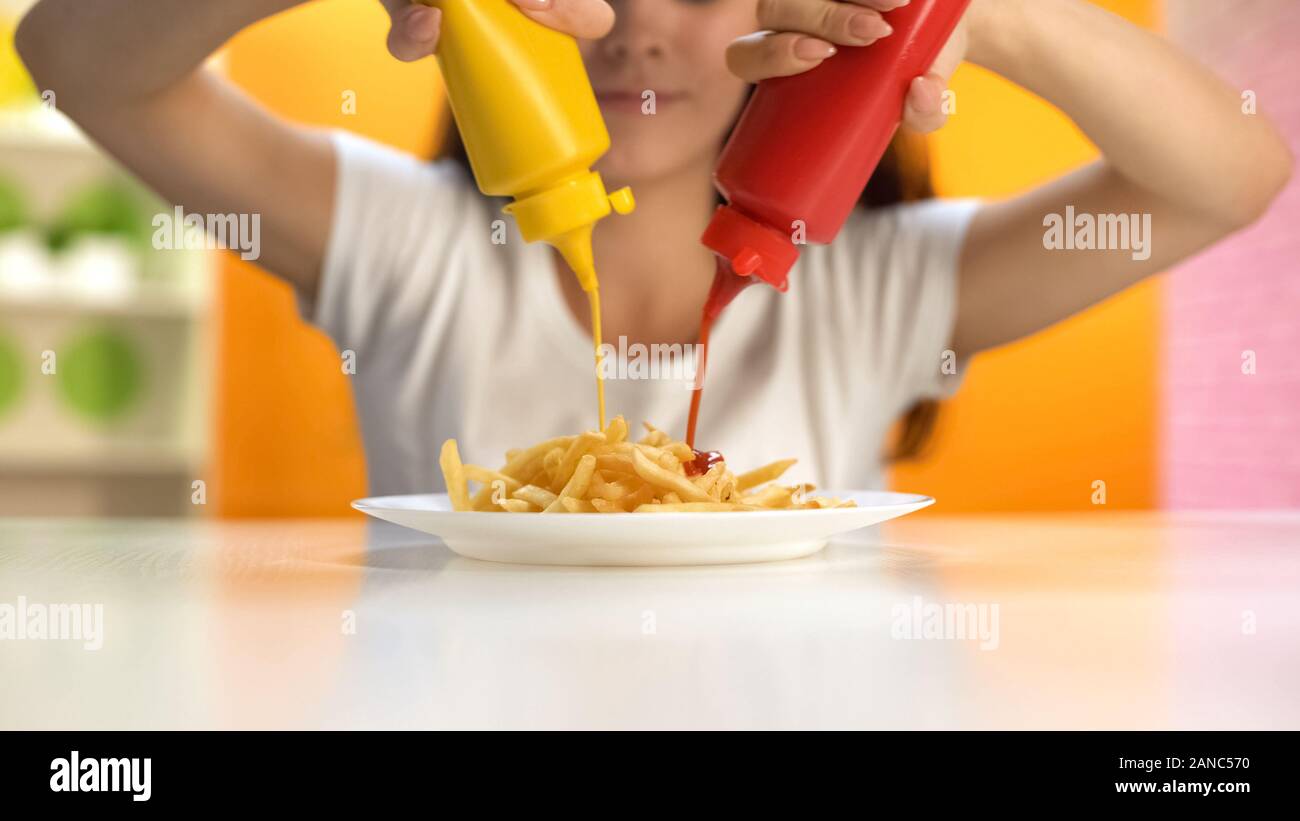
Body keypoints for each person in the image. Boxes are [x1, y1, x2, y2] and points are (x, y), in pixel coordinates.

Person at [16, 0, 1292, 495]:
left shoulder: (869, 289)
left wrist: (965, 12)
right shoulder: (409, 248)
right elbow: (71, 61)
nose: (633, 29)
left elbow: (1232, 174)